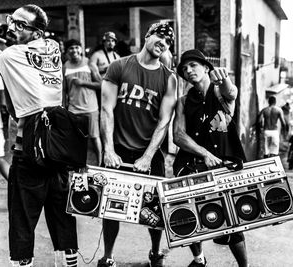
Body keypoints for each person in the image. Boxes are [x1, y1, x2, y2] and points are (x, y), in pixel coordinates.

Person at [0, 4, 78, 267]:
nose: (11, 28)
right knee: (62, 217)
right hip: (59, 149)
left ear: (37, 32)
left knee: (22, 221)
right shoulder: (53, 49)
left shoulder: (9, 57)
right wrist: (4, 42)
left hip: (28, 149)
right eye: (11, 21)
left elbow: (3, 58)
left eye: (19, 24)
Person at [98, 22, 177, 267]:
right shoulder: (119, 66)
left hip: (149, 152)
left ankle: (155, 253)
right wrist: (108, 149)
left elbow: (164, 121)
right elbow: (106, 109)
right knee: (111, 207)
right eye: (160, 36)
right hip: (118, 149)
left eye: (168, 41)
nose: (163, 42)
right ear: (147, 36)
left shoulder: (169, 78)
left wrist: (147, 156)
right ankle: (108, 256)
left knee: (154, 209)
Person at [173, 49, 248, 267]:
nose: (188, 71)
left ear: (206, 68)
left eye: (193, 66)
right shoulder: (183, 101)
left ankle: (245, 266)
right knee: (188, 214)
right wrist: (205, 153)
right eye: (184, 69)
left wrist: (224, 78)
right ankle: (199, 259)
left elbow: (231, 93)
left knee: (232, 220)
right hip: (192, 163)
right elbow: (178, 135)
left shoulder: (219, 92)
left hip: (225, 164)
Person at [63, 39, 102, 165]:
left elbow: (101, 85)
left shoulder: (89, 63)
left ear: (80, 49)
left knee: (95, 137)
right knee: (74, 139)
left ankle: (101, 164)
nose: (74, 50)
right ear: (67, 51)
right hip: (73, 109)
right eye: (71, 48)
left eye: (76, 47)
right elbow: (64, 90)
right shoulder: (65, 66)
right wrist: (64, 107)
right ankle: (77, 165)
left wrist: (83, 83)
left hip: (91, 108)